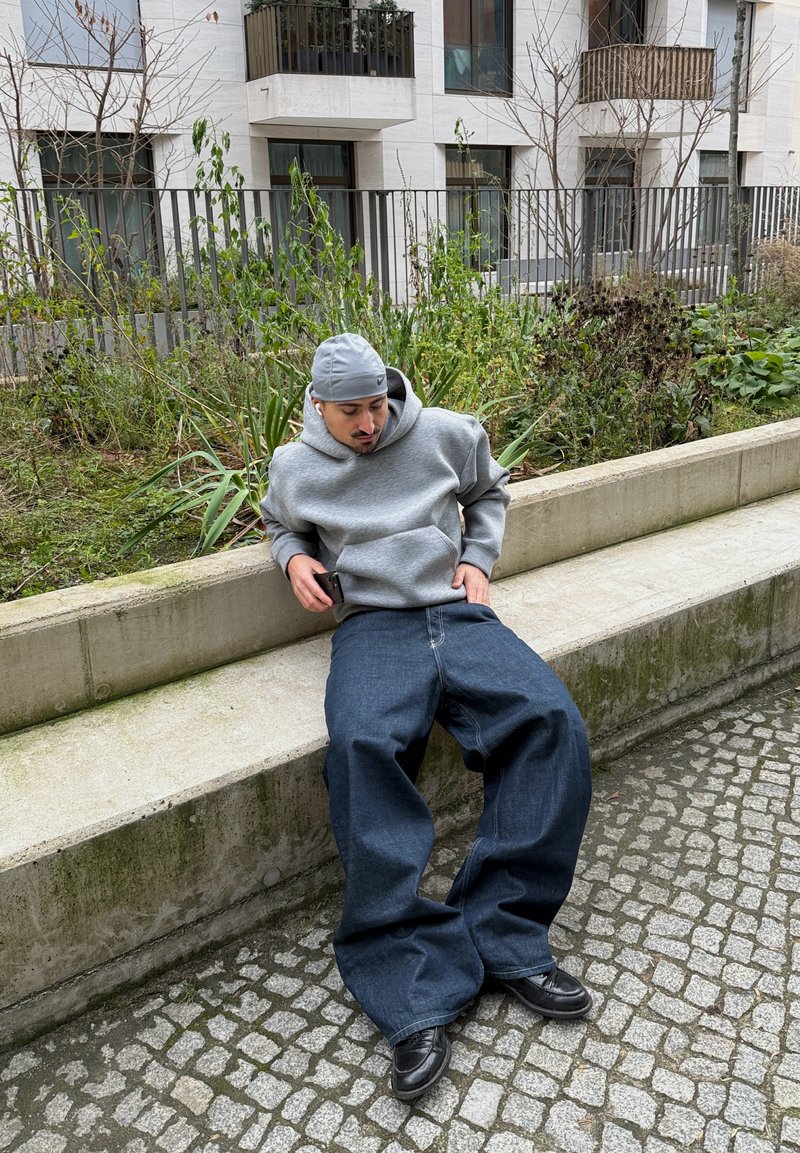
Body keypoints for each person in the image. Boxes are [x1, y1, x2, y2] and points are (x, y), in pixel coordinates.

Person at [261, 333, 593, 1101]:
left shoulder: (445, 432)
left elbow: (489, 490)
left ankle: (503, 932)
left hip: (459, 615)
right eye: (351, 411)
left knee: (551, 720)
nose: (369, 422)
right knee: (360, 747)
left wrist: (477, 558)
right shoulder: (294, 466)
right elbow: (283, 525)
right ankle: (412, 984)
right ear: (318, 406)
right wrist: (294, 558)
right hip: (372, 626)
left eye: (377, 404)